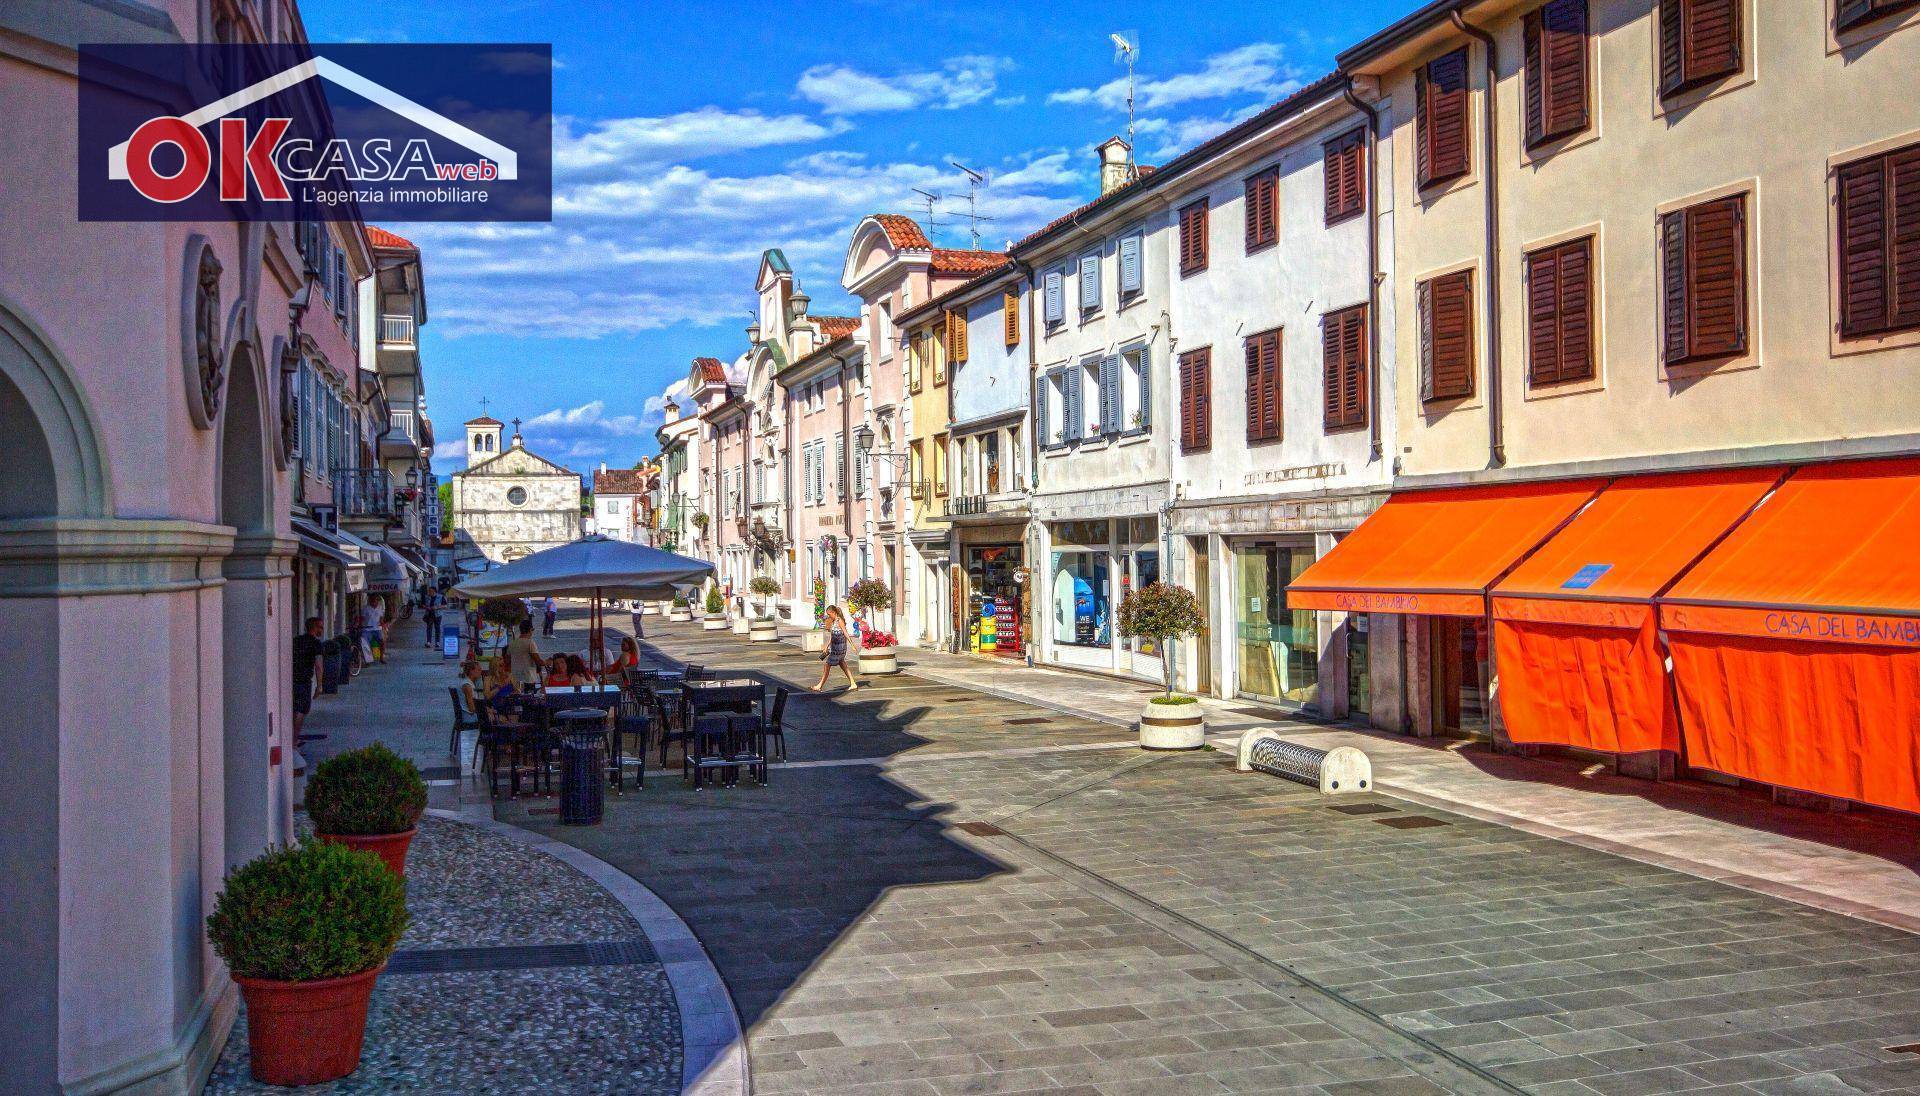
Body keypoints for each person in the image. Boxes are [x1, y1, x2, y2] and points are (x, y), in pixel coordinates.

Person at [292, 616, 325, 738]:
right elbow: (319, 666)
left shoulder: (296, 640)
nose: (322, 629)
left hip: (291, 679)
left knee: (293, 710)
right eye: (320, 627)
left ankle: (290, 742)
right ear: (315, 628)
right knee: (301, 711)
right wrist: (319, 686)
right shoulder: (316, 644)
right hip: (304, 681)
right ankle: (293, 743)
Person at [813, 604, 859, 693]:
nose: (829, 616)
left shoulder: (839, 621)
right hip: (834, 647)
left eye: (829, 614)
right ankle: (853, 683)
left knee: (827, 665)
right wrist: (826, 646)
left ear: (834, 613)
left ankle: (819, 685)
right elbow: (832, 635)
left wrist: (852, 645)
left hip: (839, 648)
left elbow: (845, 633)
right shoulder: (834, 621)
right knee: (842, 664)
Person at [504, 619, 543, 690]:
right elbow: (538, 661)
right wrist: (546, 662)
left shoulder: (512, 644)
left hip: (515, 677)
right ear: (531, 630)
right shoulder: (530, 643)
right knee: (529, 697)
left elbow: (507, 661)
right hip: (529, 677)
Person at [359, 599, 386, 664]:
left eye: (376, 600)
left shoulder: (380, 608)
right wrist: (360, 625)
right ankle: (368, 660)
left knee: (382, 642)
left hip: (377, 629)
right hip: (367, 629)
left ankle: (381, 657)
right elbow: (362, 618)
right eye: (373, 600)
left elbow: (381, 618)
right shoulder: (366, 608)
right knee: (365, 644)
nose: (374, 602)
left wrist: (383, 625)